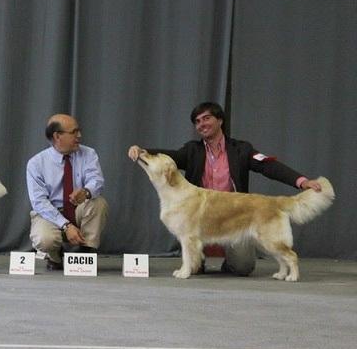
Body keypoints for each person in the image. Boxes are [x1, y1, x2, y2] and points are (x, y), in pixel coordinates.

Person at [128, 102, 321, 276]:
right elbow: (168, 158)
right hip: (202, 215)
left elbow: (268, 166)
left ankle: (232, 262)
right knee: (192, 247)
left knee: (242, 267)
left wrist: (301, 181)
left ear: (220, 120)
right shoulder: (192, 150)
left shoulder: (241, 149)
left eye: (206, 118)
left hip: (237, 216)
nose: (201, 124)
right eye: (197, 121)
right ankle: (196, 263)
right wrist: (142, 151)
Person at [26, 114, 108, 270]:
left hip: (79, 210)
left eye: (79, 131)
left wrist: (86, 191)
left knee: (98, 203)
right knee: (44, 239)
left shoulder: (89, 154)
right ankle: (55, 257)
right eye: (74, 132)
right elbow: (39, 202)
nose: (79, 136)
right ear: (57, 136)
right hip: (50, 213)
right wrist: (65, 225)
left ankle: (84, 254)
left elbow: (97, 181)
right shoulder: (36, 163)